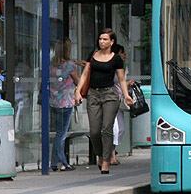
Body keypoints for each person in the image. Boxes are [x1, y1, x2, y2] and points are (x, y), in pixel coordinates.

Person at [74, 28, 132, 174]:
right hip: (93, 94)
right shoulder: (93, 55)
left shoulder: (116, 59)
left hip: (110, 95)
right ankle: (100, 155)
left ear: (112, 42)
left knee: (107, 128)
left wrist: (126, 95)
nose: (101, 41)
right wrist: (77, 91)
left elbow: (121, 79)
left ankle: (106, 160)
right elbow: (85, 74)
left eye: (105, 39)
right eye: (100, 39)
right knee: (94, 131)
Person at [50, 39, 79, 171]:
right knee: (61, 134)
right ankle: (61, 162)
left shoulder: (51, 64)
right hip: (65, 102)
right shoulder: (70, 66)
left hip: (52, 101)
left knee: (58, 133)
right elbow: (78, 81)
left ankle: (55, 162)